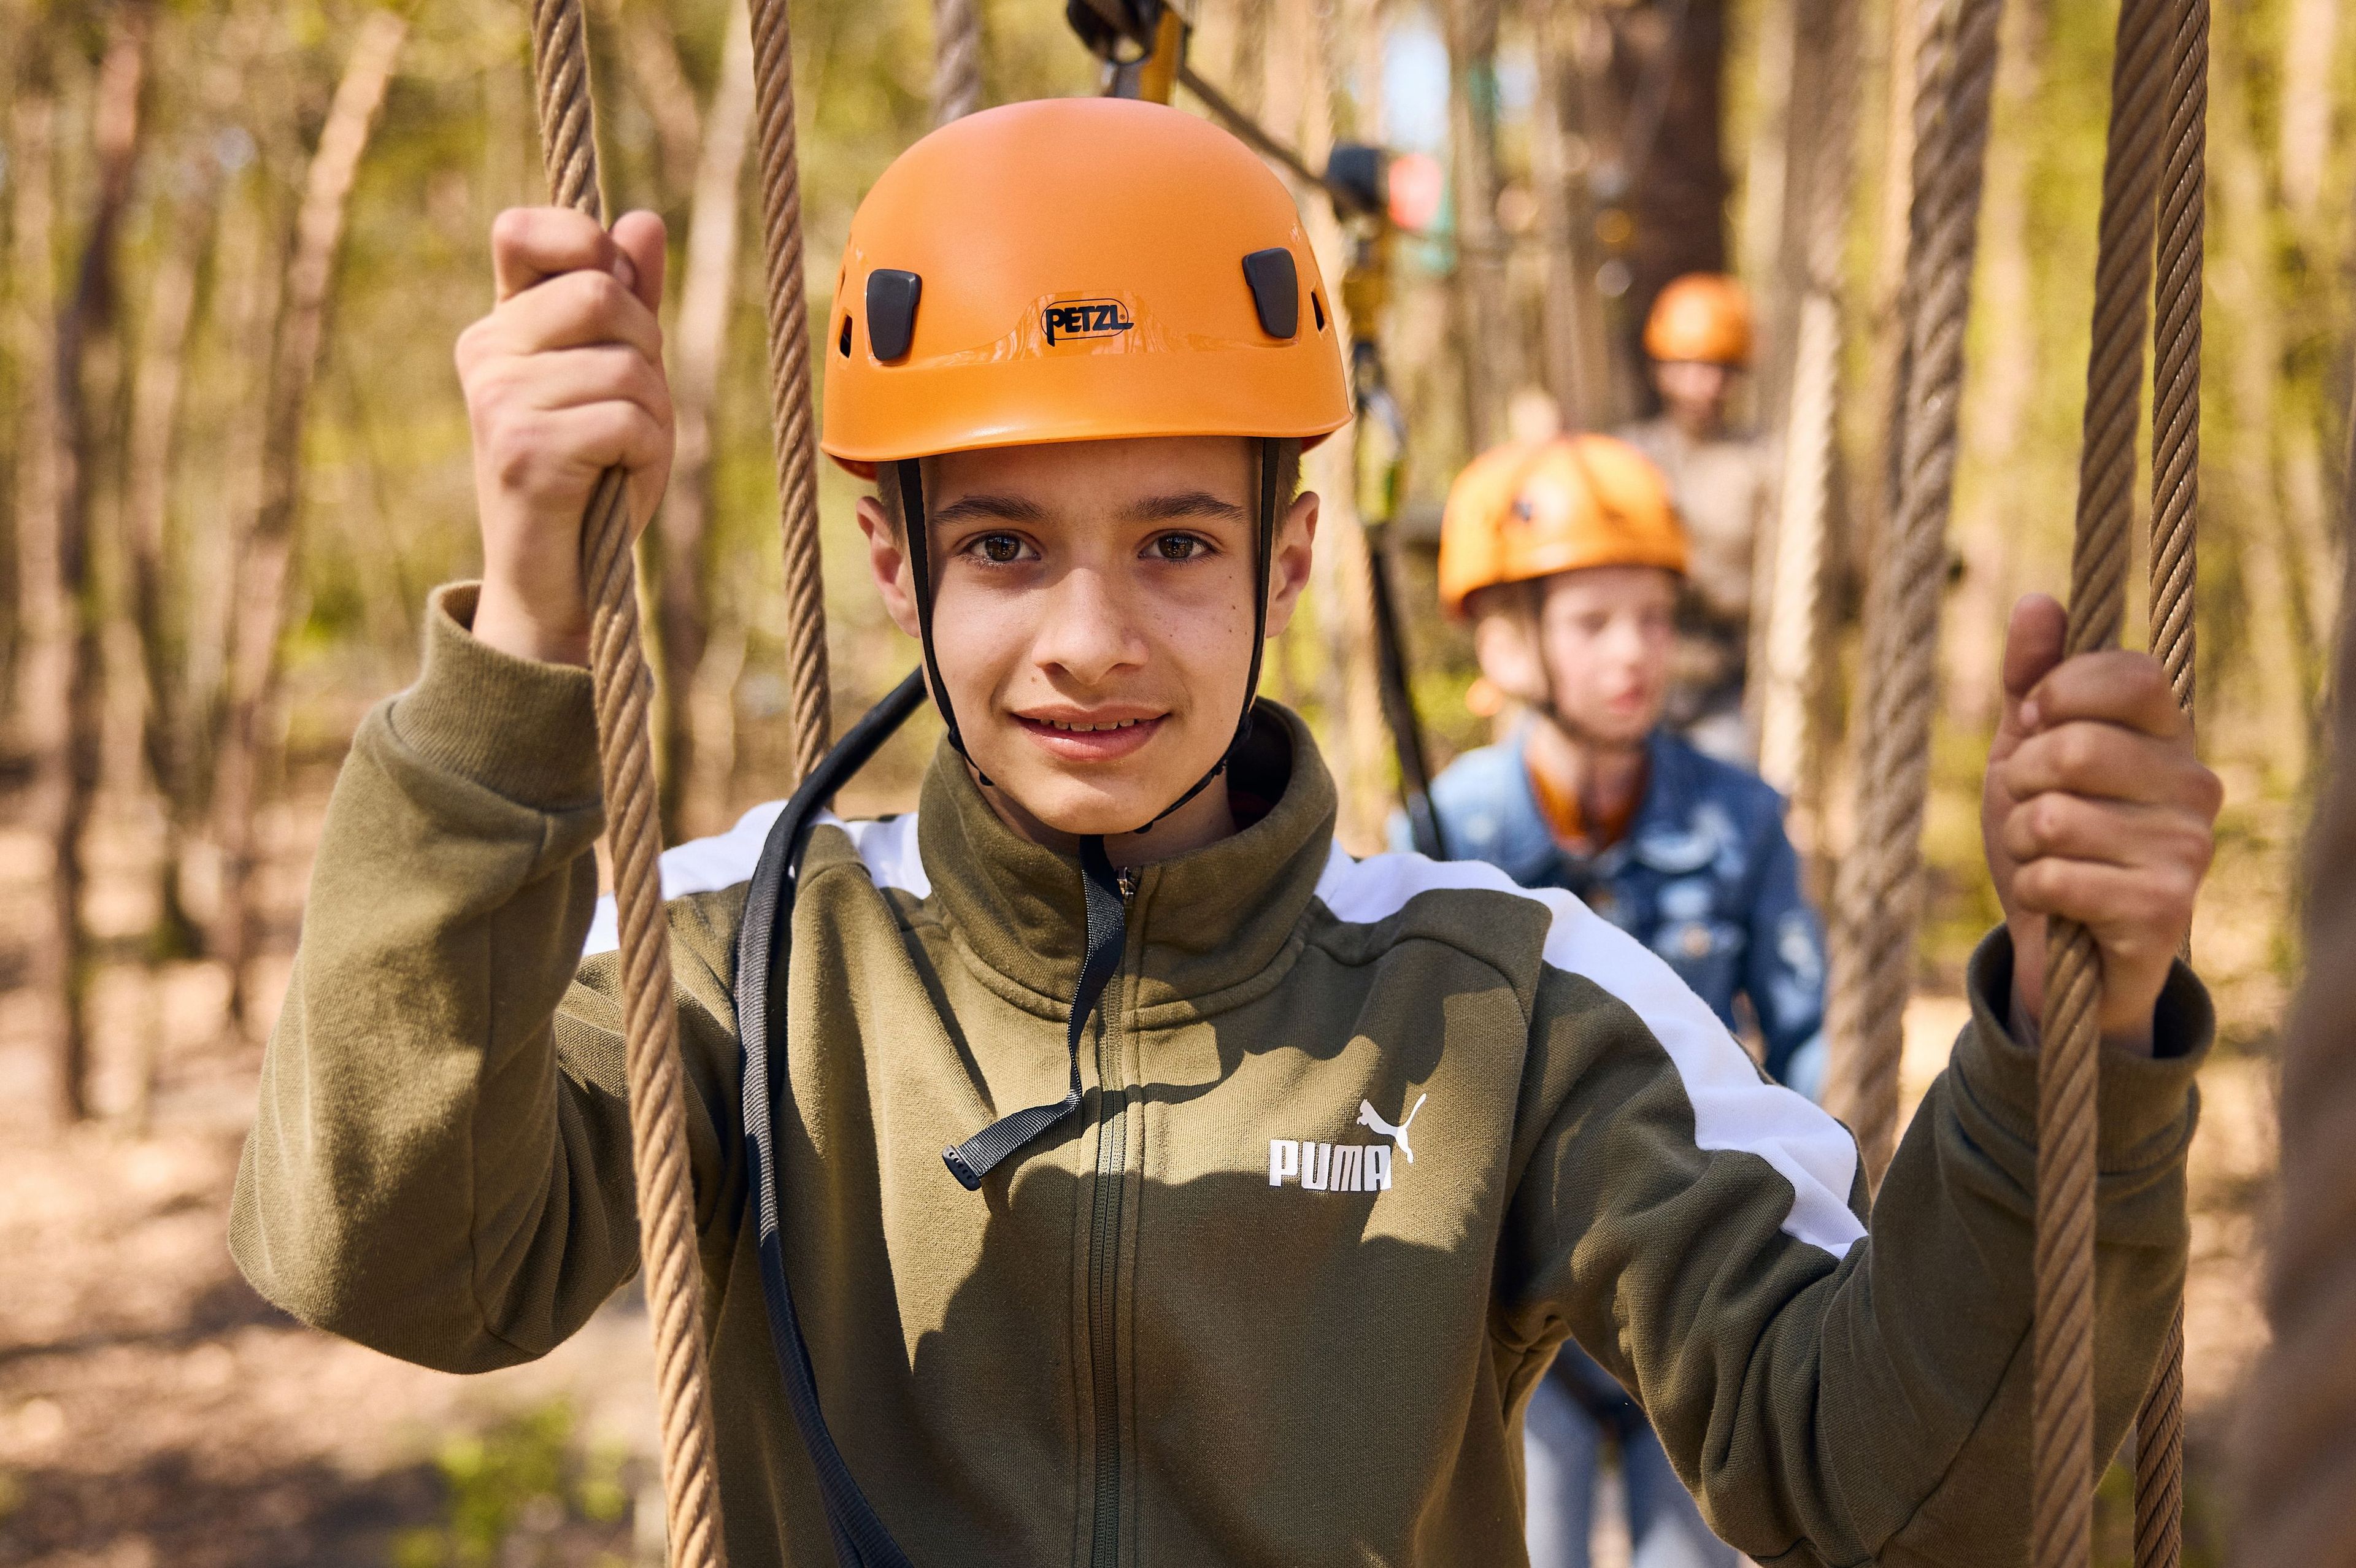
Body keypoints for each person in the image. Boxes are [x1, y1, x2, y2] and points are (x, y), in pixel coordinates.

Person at [230, 99, 2222, 1567]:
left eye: (1175, 543)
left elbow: (1898, 1484)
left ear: (1283, 559)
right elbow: (392, 1252)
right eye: (1006, 543)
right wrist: (523, 639)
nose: (1092, 639)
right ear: (891, 563)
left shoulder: (1502, 1008)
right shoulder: (743, 950)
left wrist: (2074, 1046)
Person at [1413, 433, 1827, 1568]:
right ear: (1506, 642)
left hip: (1689, 1295)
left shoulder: (1741, 821)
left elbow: (1805, 1040)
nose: (1637, 653)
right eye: (1595, 622)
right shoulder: (1450, 843)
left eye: (1654, 618)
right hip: (1506, 1306)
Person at [1618, 274, 1777, 761]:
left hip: (1723, 683)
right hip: (1638, 677)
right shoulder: (1627, 456)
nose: (1704, 384)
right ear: (1660, 369)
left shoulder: (1764, 464)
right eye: (1688, 366)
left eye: (1720, 368)